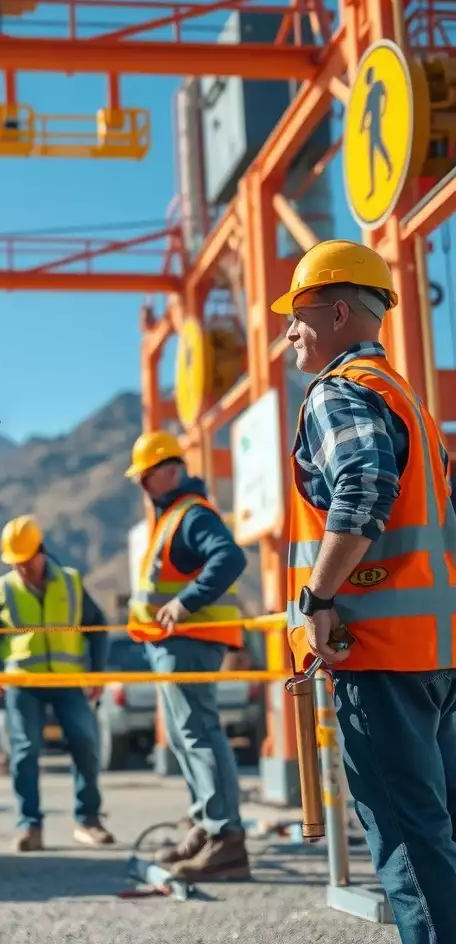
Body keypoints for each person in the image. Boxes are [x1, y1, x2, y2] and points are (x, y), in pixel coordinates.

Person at [275, 238, 456, 944]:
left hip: (380, 653)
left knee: (411, 842)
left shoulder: (338, 392)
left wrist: (318, 597)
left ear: (339, 311)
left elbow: (363, 488)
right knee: (437, 832)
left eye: (299, 314)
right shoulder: (405, 396)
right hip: (435, 653)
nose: (290, 331)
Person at [124, 430, 249, 881]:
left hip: (190, 640)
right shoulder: (173, 516)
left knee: (198, 733)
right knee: (185, 737)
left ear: (170, 470)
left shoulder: (191, 515)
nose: (141, 485)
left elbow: (230, 557)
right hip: (174, 643)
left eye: (146, 476)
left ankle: (225, 837)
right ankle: (206, 824)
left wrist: (185, 603)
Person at [0, 514, 114, 852]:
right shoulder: (3, 588)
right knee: (24, 753)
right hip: (24, 683)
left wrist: (96, 673)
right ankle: (29, 826)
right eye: (15, 563)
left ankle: (88, 820)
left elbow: (99, 626)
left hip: (68, 680)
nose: (21, 568)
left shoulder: (71, 583)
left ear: (41, 551)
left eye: (26, 561)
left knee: (86, 743)